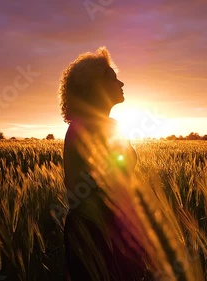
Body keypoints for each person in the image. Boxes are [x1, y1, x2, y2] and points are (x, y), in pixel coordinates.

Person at [58, 47, 151, 281]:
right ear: (95, 87)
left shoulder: (82, 126)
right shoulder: (99, 127)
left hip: (95, 229)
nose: (121, 83)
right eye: (112, 79)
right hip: (102, 232)